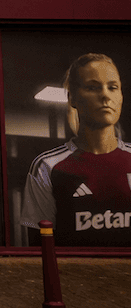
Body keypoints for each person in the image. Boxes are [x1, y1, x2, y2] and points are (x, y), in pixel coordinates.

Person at [21, 53, 131, 246]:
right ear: (72, 98)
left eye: (113, 87)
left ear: (121, 95)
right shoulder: (47, 166)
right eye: (92, 87)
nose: (105, 95)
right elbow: (38, 252)